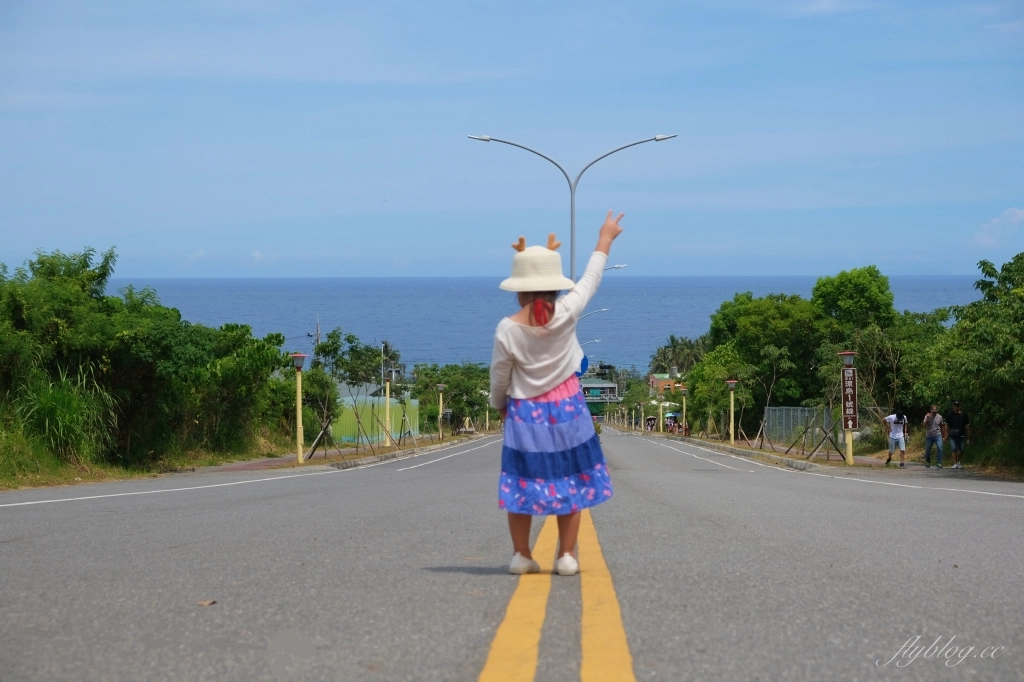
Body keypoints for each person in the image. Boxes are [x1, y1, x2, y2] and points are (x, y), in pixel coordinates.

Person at [490, 211, 622, 577]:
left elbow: (500, 377)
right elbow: (591, 278)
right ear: (556, 287)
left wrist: (500, 406)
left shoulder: (507, 329)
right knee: (570, 481)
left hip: (525, 415)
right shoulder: (567, 312)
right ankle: (566, 556)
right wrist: (605, 237)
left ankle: (521, 555)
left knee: (523, 482)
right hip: (568, 412)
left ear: (519, 291)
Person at [942, 401, 971, 470]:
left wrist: (969, 433)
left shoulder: (964, 415)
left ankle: (958, 460)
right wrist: (946, 434)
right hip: (952, 434)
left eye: (958, 405)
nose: (956, 407)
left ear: (960, 406)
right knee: (954, 448)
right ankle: (955, 463)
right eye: (955, 405)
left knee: (962, 449)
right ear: (953, 406)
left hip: (961, 434)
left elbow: (967, 425)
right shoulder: (950, 414)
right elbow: (946, 425)